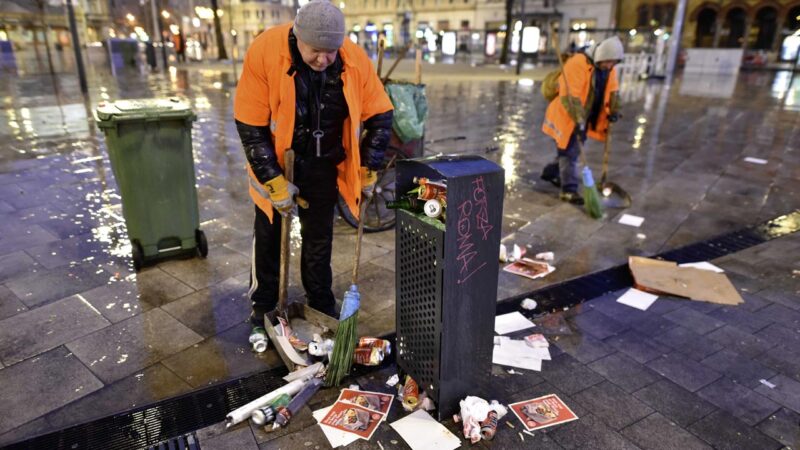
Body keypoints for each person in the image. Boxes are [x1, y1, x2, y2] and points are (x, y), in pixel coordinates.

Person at [233, 0, 394, 336]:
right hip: (279, 162)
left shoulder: (352, 57)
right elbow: (250, 124)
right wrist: (273, 181)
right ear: (297, 37)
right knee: (268, 236)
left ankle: (320, 301)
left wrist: (368, 166)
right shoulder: (265, 50)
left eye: (330, 52)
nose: (323, 59)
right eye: (315, 51)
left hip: (323, 164)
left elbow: (381, 114)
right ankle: (263, 307)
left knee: (319, 238)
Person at [540, 36, 623, 205]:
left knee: (572, 150)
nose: (610, 66)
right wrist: (578, 120)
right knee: (569, 152)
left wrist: (614, 111)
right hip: (568, 115)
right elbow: (570, 96)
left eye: (613, 63)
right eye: (608, 62)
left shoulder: (609, 70)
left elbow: (614, 92)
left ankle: (551, 172)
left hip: (585, 117)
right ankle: (568, 191)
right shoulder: (577, 63)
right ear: (601, 56)